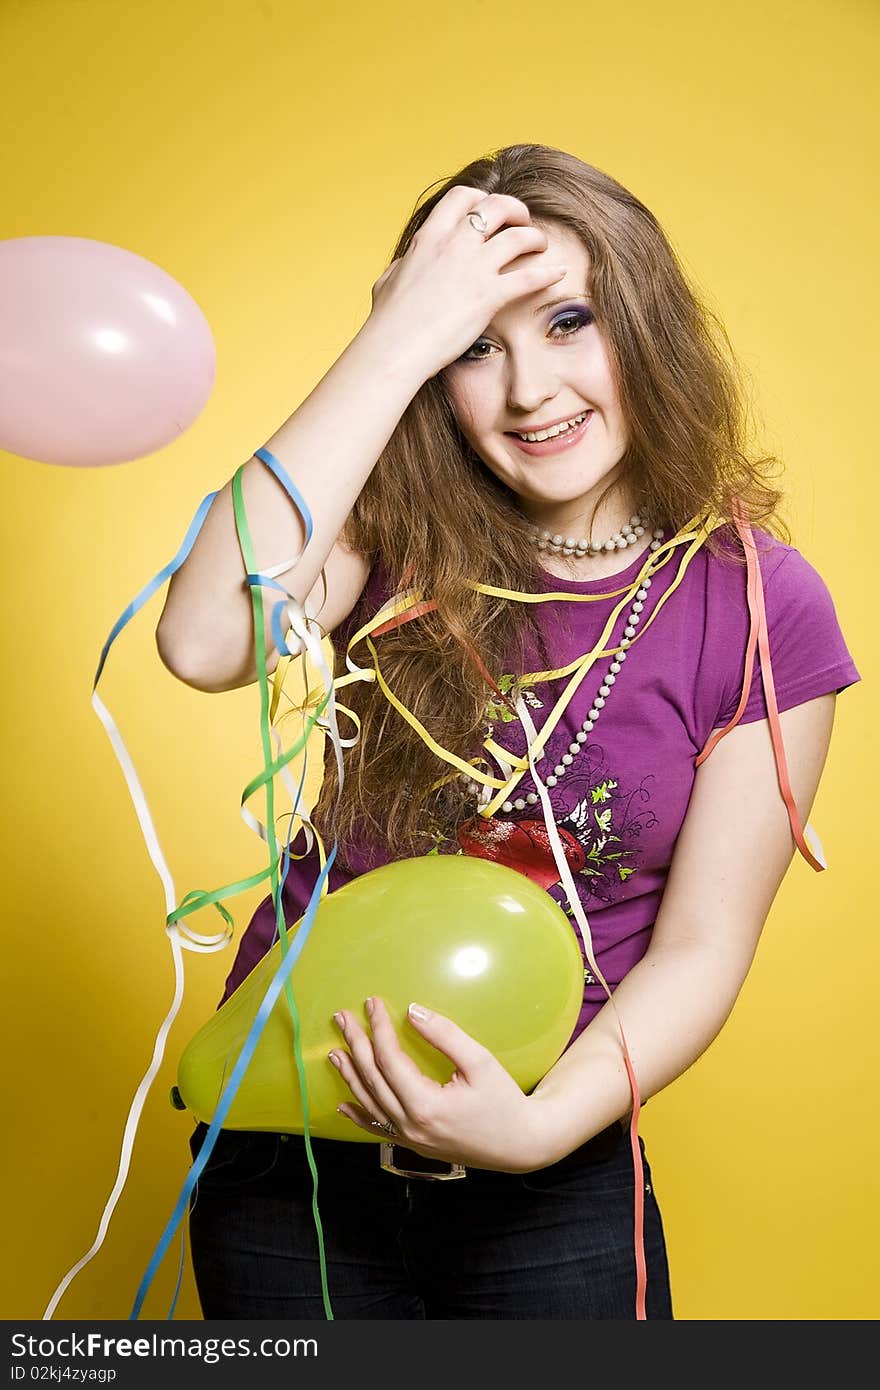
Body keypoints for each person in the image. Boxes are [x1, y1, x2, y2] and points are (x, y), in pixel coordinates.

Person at [156, 144, 861, 1320]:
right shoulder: (381, 538)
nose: (529, 390)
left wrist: (535, 1131)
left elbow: (699, 946)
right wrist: (395, 337)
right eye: (477, 344)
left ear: (646, 325)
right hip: (289, 1155)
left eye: (569, 321)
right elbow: (199, 640)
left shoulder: (759, 604)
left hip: (553, 1159)